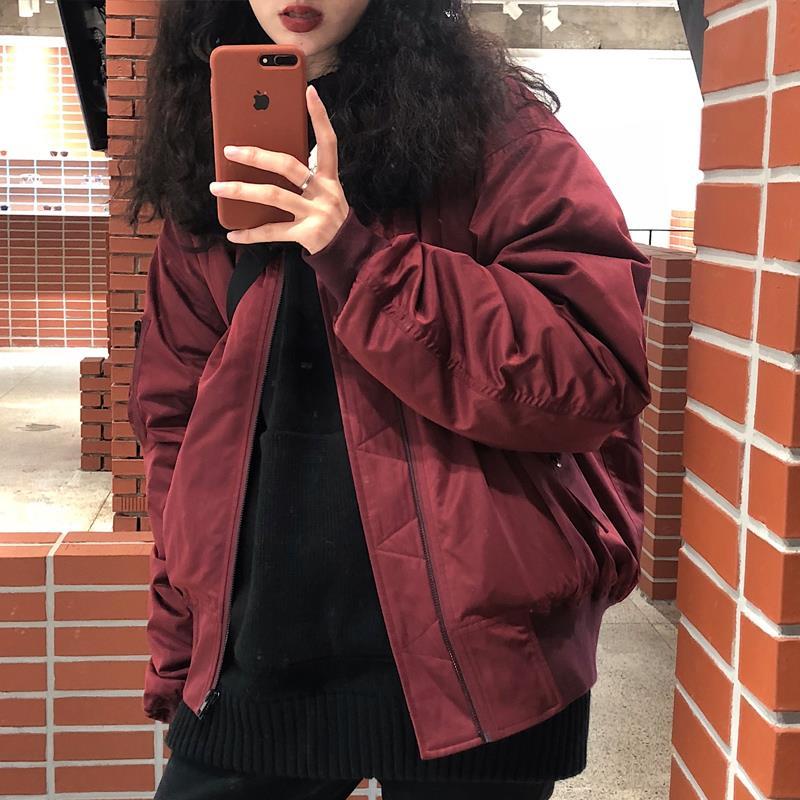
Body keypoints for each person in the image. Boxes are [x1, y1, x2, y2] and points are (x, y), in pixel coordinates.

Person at [124, 1, 652, 798]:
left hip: (479, 666)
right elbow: (173, 425)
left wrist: (359, 258)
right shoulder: (210, 147)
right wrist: (180, 633)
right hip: (256, 655)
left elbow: (593, 372)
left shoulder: (495, 132)